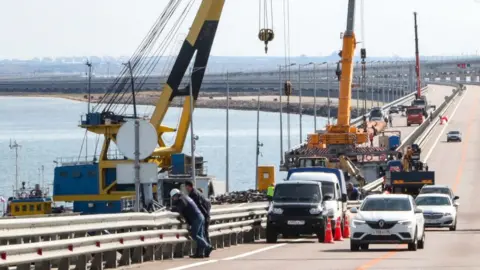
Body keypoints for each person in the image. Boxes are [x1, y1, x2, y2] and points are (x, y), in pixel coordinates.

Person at [170, 188, 213, 258]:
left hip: (196, 218)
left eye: (174, 197)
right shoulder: (185, 197)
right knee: (200, 235)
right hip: (200, 216)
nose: (174, 199)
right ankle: (200, 253)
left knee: (194, 235)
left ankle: (208, 246)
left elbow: (179, 209)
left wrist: (172, 209)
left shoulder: (181, 199)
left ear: (177, 195)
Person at [184, 181, 212, 248]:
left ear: (189, 186)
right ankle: (203, 251)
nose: (185, 188)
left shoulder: (194, 194)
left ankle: (208, 248)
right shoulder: (197, 193)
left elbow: (197, 206)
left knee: (200, 234)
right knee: (203, 234)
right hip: (204, 215)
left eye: (186, 186)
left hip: (202, 216)